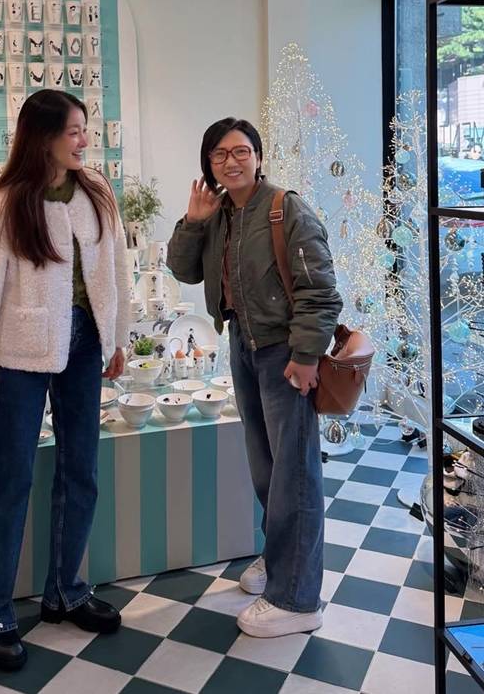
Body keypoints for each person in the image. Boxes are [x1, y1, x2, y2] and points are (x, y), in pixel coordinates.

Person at [0, 89, 130, 671]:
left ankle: (66, 591)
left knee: (82, 471)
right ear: (43, 137)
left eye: (84, 129)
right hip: (20, 353)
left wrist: (117, 337)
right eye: (73, 131)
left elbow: (117, 268)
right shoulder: (4, 205)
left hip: (85, 345)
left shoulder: (97, 192)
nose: (84, 140)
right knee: (11, 478)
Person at [167, 117, 342, 638]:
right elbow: (183, 270)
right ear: (209, 164)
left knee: (294, 472)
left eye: (241, 151)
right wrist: (193, 220)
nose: (231, 162)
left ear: (258, 157)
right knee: (266, 468)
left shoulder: (286, 209)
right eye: (219, 155)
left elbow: (321, 291)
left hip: (285, 354)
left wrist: (306, 355)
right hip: (243, 345)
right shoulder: (219, 214)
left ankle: (297, 598)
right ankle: (280, 557)